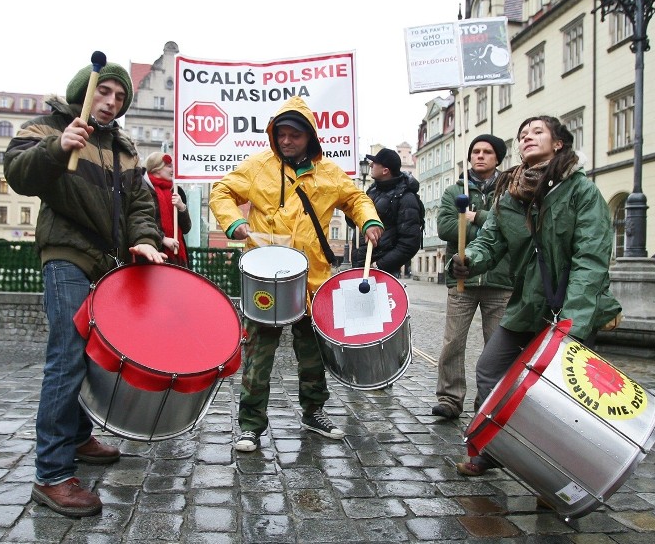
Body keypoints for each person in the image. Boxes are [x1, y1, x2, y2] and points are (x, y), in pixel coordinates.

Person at [4, 62, 166, 517]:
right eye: (105, 91)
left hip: (107, 262)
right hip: (67, 254)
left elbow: (140, 204)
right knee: (67, 355)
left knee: (94, 353)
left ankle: (76, 436)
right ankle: (52, 474)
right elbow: (19, 173)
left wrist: (146, 240)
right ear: (86, 90)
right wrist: (57, 148)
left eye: (120, 97)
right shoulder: (48, 126)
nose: (111, 101)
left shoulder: (124, 147)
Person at [449, 116, 622, 476]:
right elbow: (491, 240)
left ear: (558, 143)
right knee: (491, 369)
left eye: (537, 132)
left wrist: (572, 320)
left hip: (573, 307)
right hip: (527, 304)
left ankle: (557, 469)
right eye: (523, 134)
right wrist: (469, 260)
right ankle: (493, 447)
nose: (527, 137)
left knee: (561, 393)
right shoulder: (510, 194)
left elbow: (590, 258)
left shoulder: (580, 191)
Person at [210, 96, 383, 453]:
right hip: (266, 276)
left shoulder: (329, 173)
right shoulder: (258, 166)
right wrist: (234, 222)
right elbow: (222, 191)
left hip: (312, 278)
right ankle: (251, 425)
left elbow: (356, 198)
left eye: (295, 135)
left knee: (313, 351)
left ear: (310, 138)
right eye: (281, 134)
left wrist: (369, 219)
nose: (286, 141)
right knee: (259, 352)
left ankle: (314, 411)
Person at [431, 134, 512, 420]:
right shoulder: (455, 191)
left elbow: (509, 226)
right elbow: (445, 226)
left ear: (497, 158)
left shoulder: (510, 190)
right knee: (453, 342)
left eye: (487, 152)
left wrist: (475, 218)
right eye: (475, 151)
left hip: (500, 280)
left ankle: (490, 400)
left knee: (498, 346)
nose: (480, 156)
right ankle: (450, 398)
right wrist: (490, 230)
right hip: (462, 279)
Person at [351, 148, 421, 278]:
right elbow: (354, 224)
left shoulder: (406, 198)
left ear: (385, 171)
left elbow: (410, 243)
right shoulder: (372, 191)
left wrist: (379, 265)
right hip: (360, 268)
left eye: (375, 163)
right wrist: (351, 207)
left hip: (382, 274)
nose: (371, 165)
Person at [143, 152, 191, 267]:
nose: (173, 170)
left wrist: (182, 207)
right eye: (169, 166)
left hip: (176, 258)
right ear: (157, 168)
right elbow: (142, 220)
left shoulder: (176, 191)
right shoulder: (143, 190)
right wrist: (162, 238)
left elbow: (186, 228)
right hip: (152, 255)